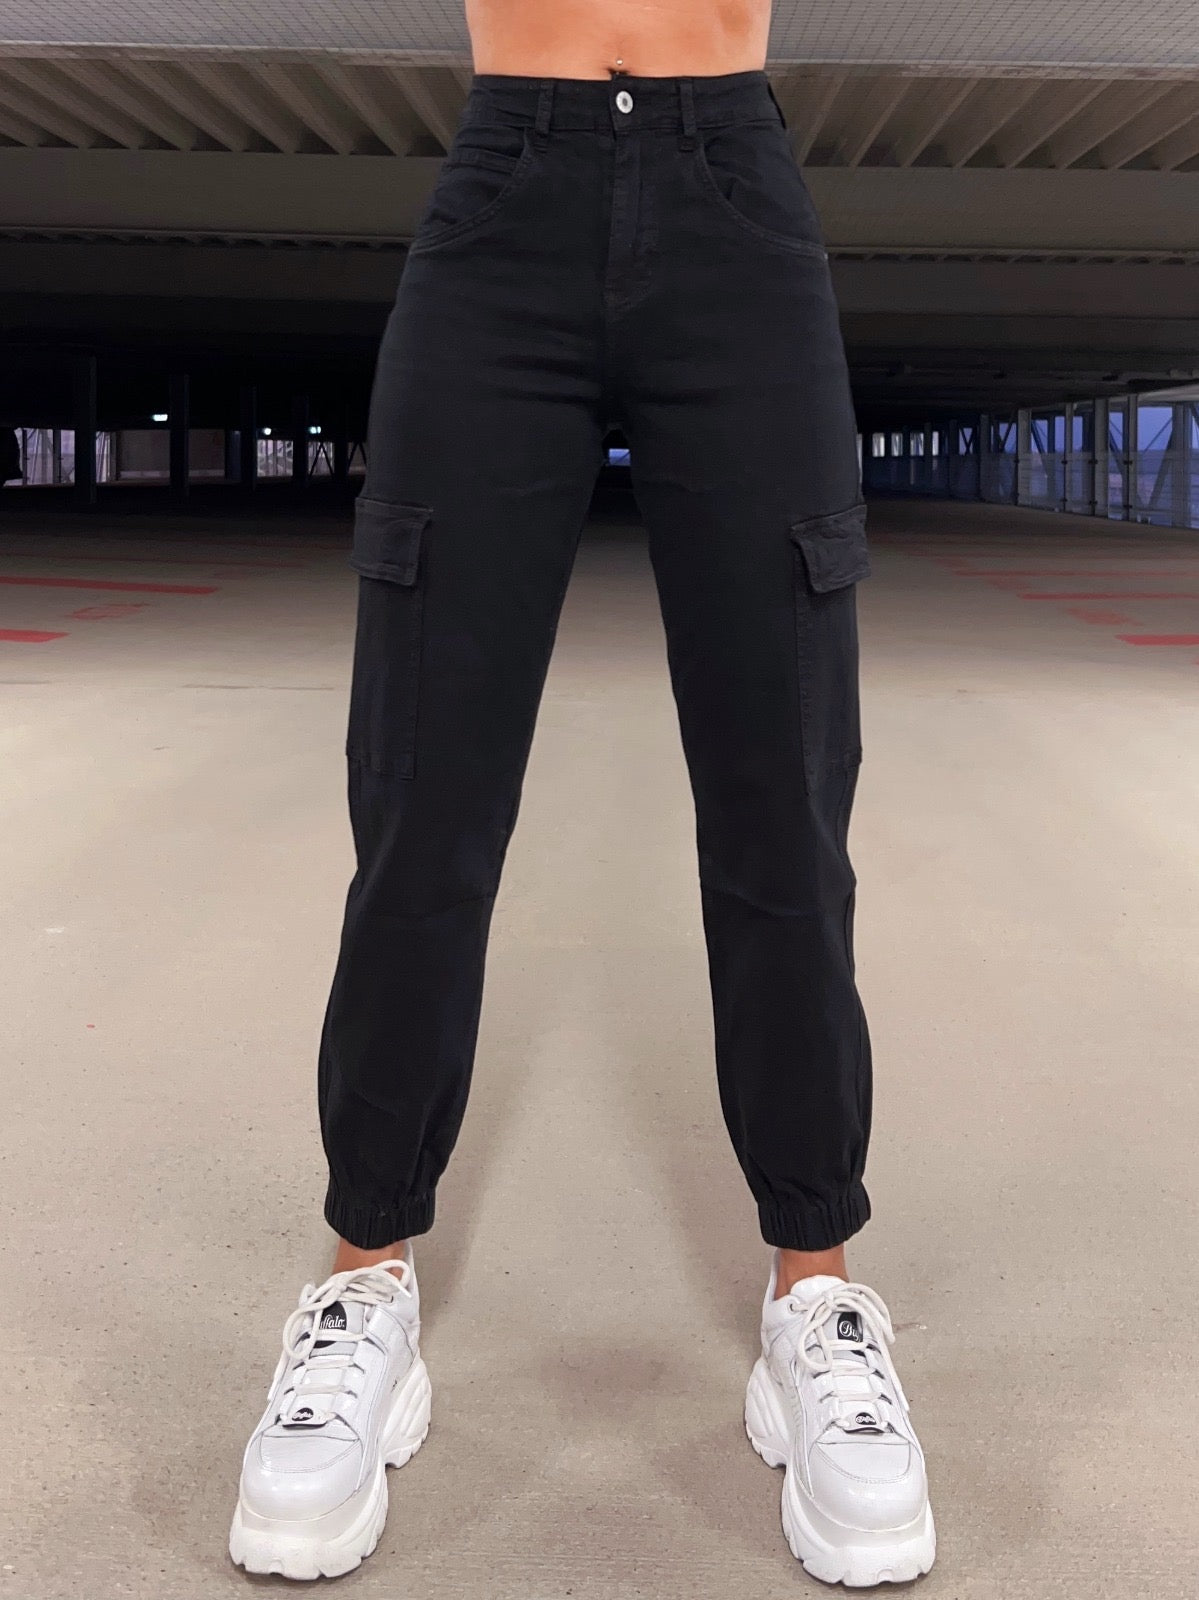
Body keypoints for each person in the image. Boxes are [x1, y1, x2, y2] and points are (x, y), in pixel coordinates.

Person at [230, 0, 936, 1585]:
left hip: (736, 202)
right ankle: (364, 1282)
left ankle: (814, 1296)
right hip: (505, 197)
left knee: (782, 806)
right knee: (422, 800)